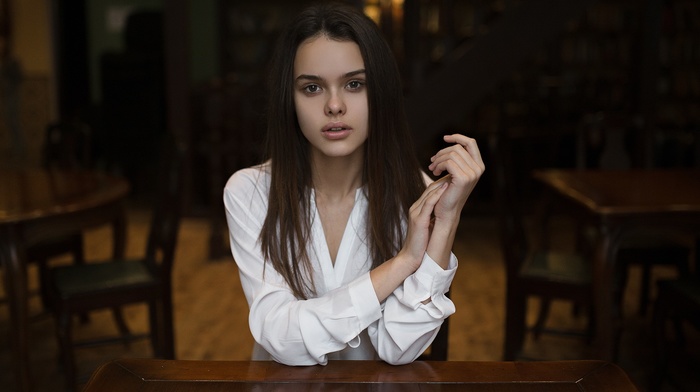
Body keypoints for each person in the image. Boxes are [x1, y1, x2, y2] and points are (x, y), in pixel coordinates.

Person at [223, 2, 484, 366]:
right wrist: (403, 262)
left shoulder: (417, 194)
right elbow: (280, 336)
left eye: (354, 84)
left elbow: (399, 348)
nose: (334, 105)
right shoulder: (250, 192)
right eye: (312, 87)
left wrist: (448, 220)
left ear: (381, 93)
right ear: (290, 99)